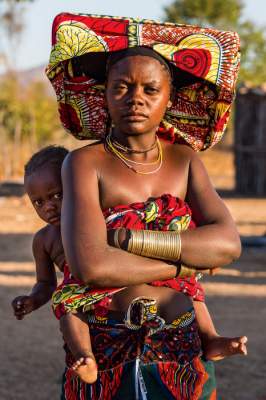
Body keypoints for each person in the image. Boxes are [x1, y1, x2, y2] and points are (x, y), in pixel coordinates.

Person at [45, 13, 247, 399]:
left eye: (150, 89)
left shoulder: (184, 161)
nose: (136, 98)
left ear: (168, 98)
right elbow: (92, 266)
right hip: (105, 346)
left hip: (184, 349)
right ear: (104, 93)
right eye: (121, 87)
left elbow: (227, 244)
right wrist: (187, 263)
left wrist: (123, 238)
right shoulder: (86, 163)